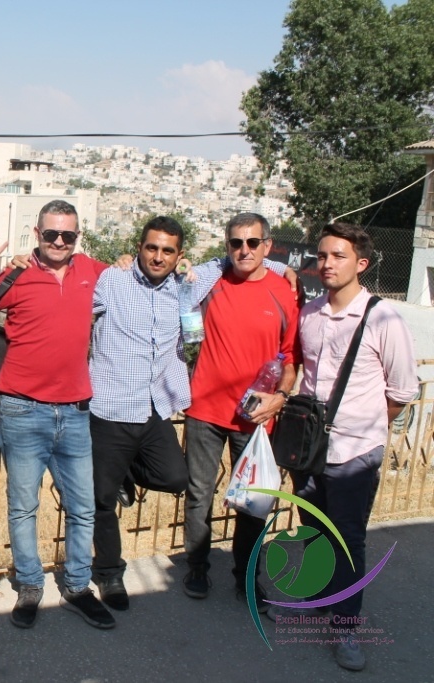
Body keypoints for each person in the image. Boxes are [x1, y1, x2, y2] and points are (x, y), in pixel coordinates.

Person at [90, 216, 293, 612]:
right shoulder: (110, 281)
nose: (159, 256)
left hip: (161, 406)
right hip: (116, 405)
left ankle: (246, 576)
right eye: (151, 247)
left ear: (179, 255)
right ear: (139, 248)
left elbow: (232, 260)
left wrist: (285, 267)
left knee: (182, 480)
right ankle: (114, 575)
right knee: (105, 500)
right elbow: (73, 289)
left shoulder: (188, 286)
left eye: (168, 250)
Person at [0, 199, 115, 631]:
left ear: (77, 237)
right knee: (23, 507)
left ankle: (78, 586)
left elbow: (139, 273)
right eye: (51, 234)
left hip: (76, 410)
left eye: (68, 235)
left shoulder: (92, 272)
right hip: (23, 408)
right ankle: (30, 585)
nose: (59, 242)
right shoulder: (18, 273)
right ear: (36, 234)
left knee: (82, 507)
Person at [268, 223, 417, 672]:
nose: (328, 263)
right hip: (311, 448)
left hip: (355, 450)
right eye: (323, 255)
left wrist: (365, 427)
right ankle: (315, 600)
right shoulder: (311, 314)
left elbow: (402, 390)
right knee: (312, 530)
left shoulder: (383, 317)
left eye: (339, 256)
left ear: (361, 264)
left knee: (348, 539)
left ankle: (347, 628)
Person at [182, 212, 300, 610]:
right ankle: (196, 566)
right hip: (204, 409)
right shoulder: (212, 282)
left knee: (253, 502)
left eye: (252, 243)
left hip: (255, 416)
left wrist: (280, 396)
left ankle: (246, 576)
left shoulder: (283, 293)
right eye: (236, 243)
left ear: (267, 246)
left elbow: (290, 358)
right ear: (227, 245)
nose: (244, 250)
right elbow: (170, 284)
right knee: (199, 493)